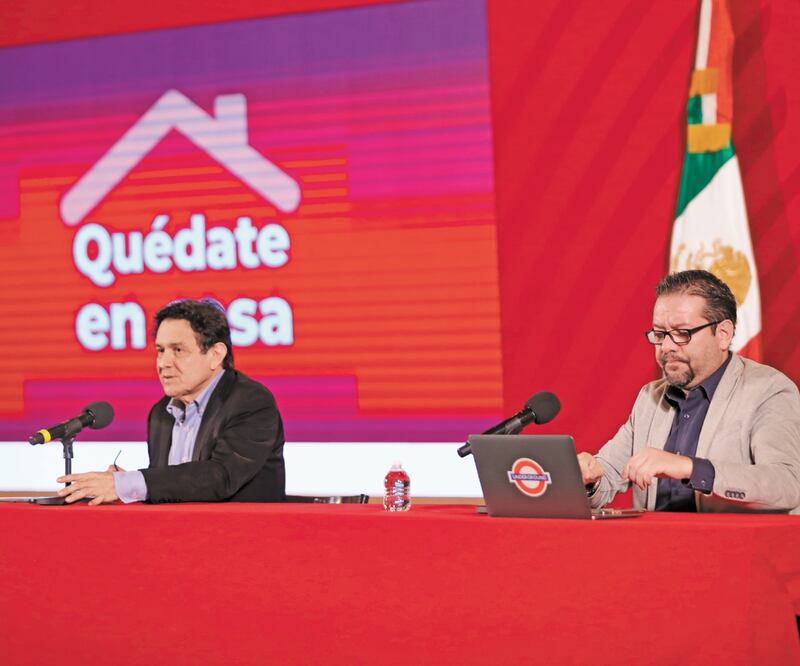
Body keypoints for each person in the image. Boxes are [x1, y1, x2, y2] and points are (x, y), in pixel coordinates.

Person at [578, 269, 800, 513]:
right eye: (660, 334)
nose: (667, 347)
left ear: (723, 334)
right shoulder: (649, 398)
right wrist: (591, 477)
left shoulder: (769, 390)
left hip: (730, 548)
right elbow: (608, 474)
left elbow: (787, 484)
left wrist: (691, 468)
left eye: (682, 333)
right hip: (653, 546)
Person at [57, 299, 286, 504]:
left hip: (242, 542)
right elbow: (177, 487)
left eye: (178, 350)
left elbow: (220, 477)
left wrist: (131, 484)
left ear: (216, 354)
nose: (163, 363)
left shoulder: (251, 402)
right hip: (178, 541)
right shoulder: (161, 413)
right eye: (160, 350)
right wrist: (126, 487)